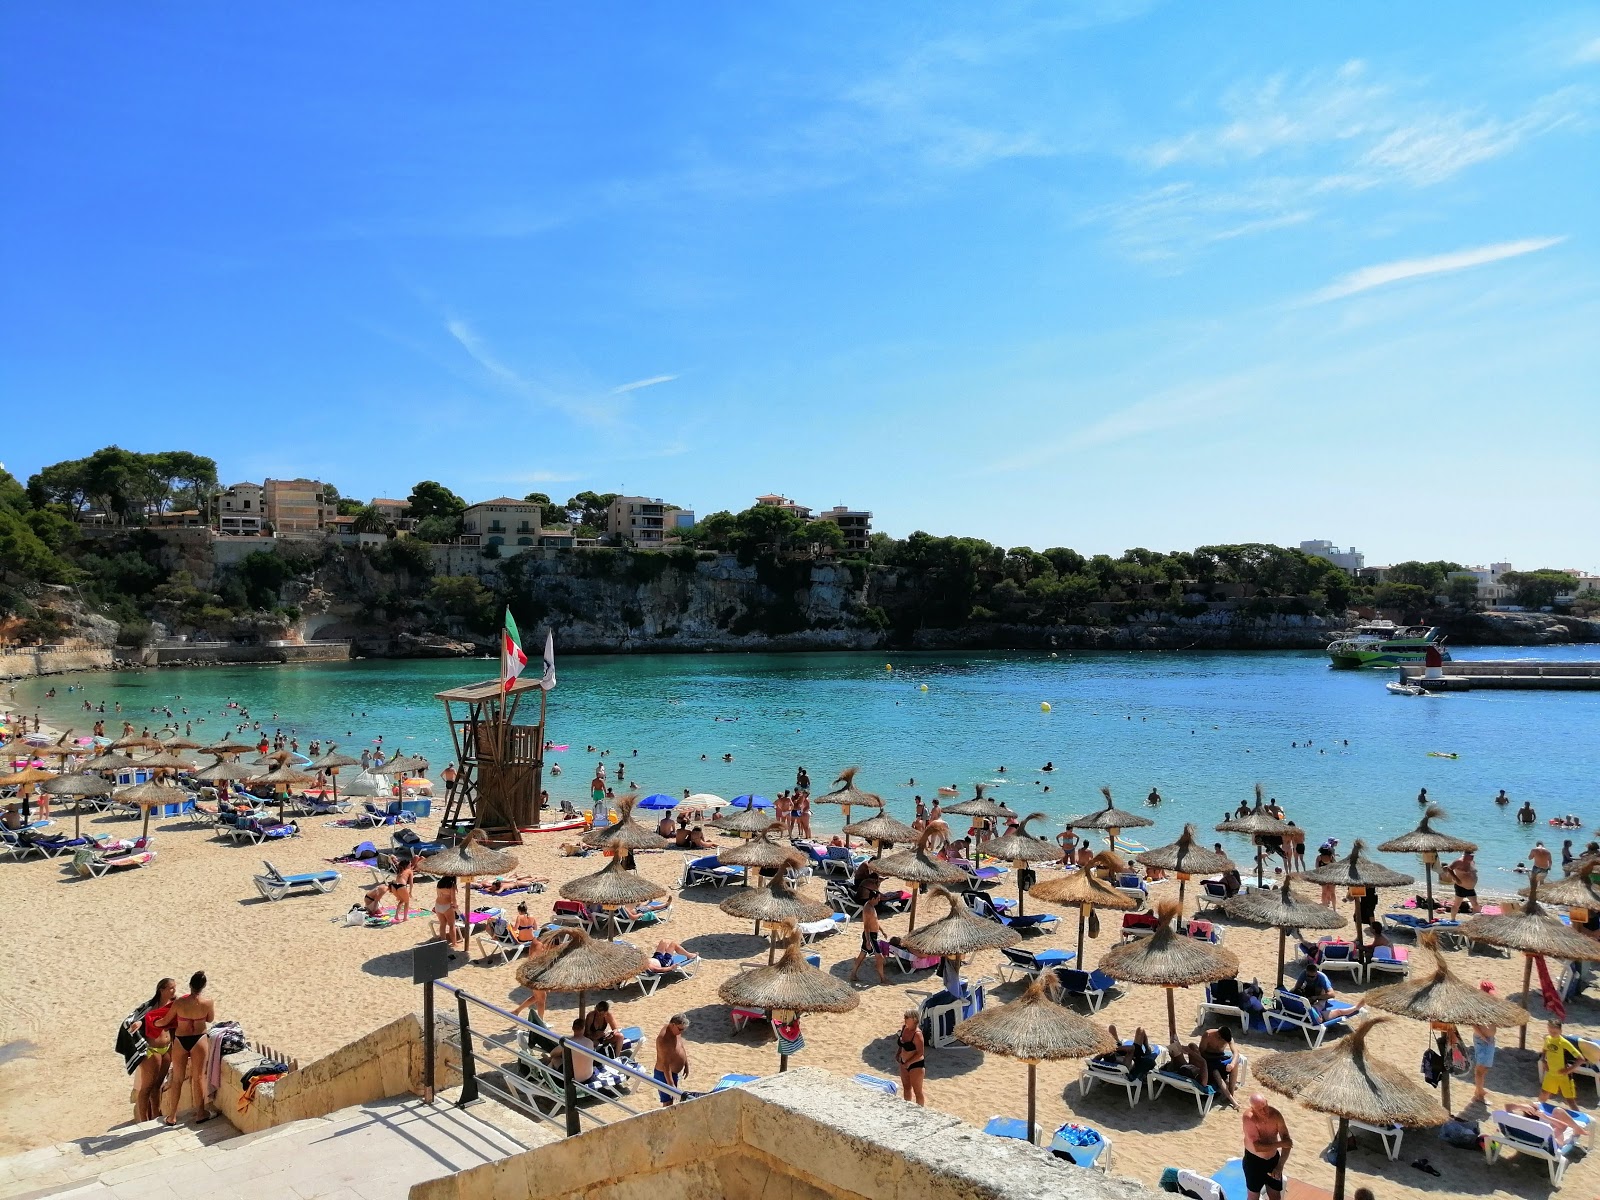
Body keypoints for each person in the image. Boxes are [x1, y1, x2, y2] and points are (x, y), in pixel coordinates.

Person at [160, 971, 215, 1125]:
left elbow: (165, 1020)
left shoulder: (179, 1003)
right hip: (199, 1039)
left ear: (190, 985)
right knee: (198, 1078)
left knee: (177, 1078)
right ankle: (200, 1113)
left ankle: (172, 1116)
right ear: (203, 987)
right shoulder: (208, 1002)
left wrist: (152, 1024)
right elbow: (210, 1019)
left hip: (181, 1040)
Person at [135, 977, 177, 1122]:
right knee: (147, 1086)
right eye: (171, 988)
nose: (174, 990)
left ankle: (155, 1114)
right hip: (151, 1049)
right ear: (162, 990)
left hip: (167, 1047)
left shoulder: (174, 1005)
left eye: (174, 987)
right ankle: (143, 1120)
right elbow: (136, 1020)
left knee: (158, 1085)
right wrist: (139, 1024)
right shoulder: (150, 1007)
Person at [1242, 1093, 1292, 1200]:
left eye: (1265, 1106)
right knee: (1253, 1196)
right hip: (1254, 1162)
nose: (1264, 1111)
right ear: (1253, 1109)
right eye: (1260, 1109)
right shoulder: (1249, 1118)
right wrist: (1280, 1144)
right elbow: (1257, 1147)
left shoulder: (1275, 1115)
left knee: (1275, 1195)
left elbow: (1287, 1141)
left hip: (1273, 1160)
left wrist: (1280, 1166)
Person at [1539, 1020, 1583, 1103]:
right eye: (1550, 1031)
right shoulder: (1548, 1038)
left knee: (1570, 1101)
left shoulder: (1564, 1043)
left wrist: (1569, 1070)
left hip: (1564, 1076)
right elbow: (1545, 1049)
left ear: (1560, 1031)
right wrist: (1544, 1060)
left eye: (1555, 1032)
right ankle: (1534, 1115)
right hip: (1551, 1074)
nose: (1552, 1034)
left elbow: (1581, 1059)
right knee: (1543, 1095)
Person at [849, 891, 888, 984]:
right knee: (880, 958)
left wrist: (882, 931)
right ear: (873, 898)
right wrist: (867, 941)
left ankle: (853, 975)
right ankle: (883, 979)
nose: (879, 900)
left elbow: (875, 921)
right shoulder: (868, 909)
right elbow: (866, 926)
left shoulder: (872, 907)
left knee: (862, 955)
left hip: (873, 935)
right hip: (870, 936)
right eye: (878, 898)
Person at [1470, 983, 1499, 1105]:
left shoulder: (1490, 1006)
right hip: (1483, 1040)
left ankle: (1478, 1092)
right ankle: (1480, 1094)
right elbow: (1472, 1022)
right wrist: (1483, 1036)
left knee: (1485, 1067)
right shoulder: (1478, 1006)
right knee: (1480, 1069)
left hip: (1489, 1040)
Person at [654, 1015, 691, 1106]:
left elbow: (681, 1047)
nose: (681, 1032)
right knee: (667, 1102)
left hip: (673, 1073)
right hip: (664, 1074)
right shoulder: (663, 1039)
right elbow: (665, 1064)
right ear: (673, 1025)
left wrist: (686, 1065)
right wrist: (671, 1084)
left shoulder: (676, 1031)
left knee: (671, 1101)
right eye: (680, 1029)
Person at [1198, 1026, 1239, 1106]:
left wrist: (1232, 1064)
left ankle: (1231, 1092)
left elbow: (1236, 1053)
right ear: (1218, 1036)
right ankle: (1231, 1099)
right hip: (1208, 1060)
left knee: (1235, 1063)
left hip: (1220, 1058)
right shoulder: (1208, 1035)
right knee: (1215, 1071)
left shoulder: (1229, 1039)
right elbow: (1201, 1053)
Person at [895, 1010, 926, 1105]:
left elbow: (920, 1053)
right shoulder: (904, 1028)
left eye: (907, 1017)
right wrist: (898, 1053)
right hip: (903, 1062)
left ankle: (920, 1111)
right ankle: (907, 1109)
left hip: (915, 1065)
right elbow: (902, 1043)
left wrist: (909, 1063)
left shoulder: (917, 1034)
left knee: (917, 1091)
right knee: (906, 1088)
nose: (905, 1019)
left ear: (914, 1019)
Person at [1446, 849, 1478, 917]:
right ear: (1465, 855)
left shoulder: (1472, 862)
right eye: (1471, 856)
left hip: (1471, 888)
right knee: (1457, 904)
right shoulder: (1458, 862)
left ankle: (1475, 919)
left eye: (1473, 856)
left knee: (1475, 904)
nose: (1472, 857)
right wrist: (1456, 878)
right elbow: (1449, 868)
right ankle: (1452, 919)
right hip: (1461, 887)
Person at [431, 879, 460, 947]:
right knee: (451, 925)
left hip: (438, 905)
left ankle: (442, 941)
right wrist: (456, 906)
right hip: (447, 906)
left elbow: (439, 894)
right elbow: (453, 898)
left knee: (442, 924)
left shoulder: (440, 883)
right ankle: (454, 943)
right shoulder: (451, 885)